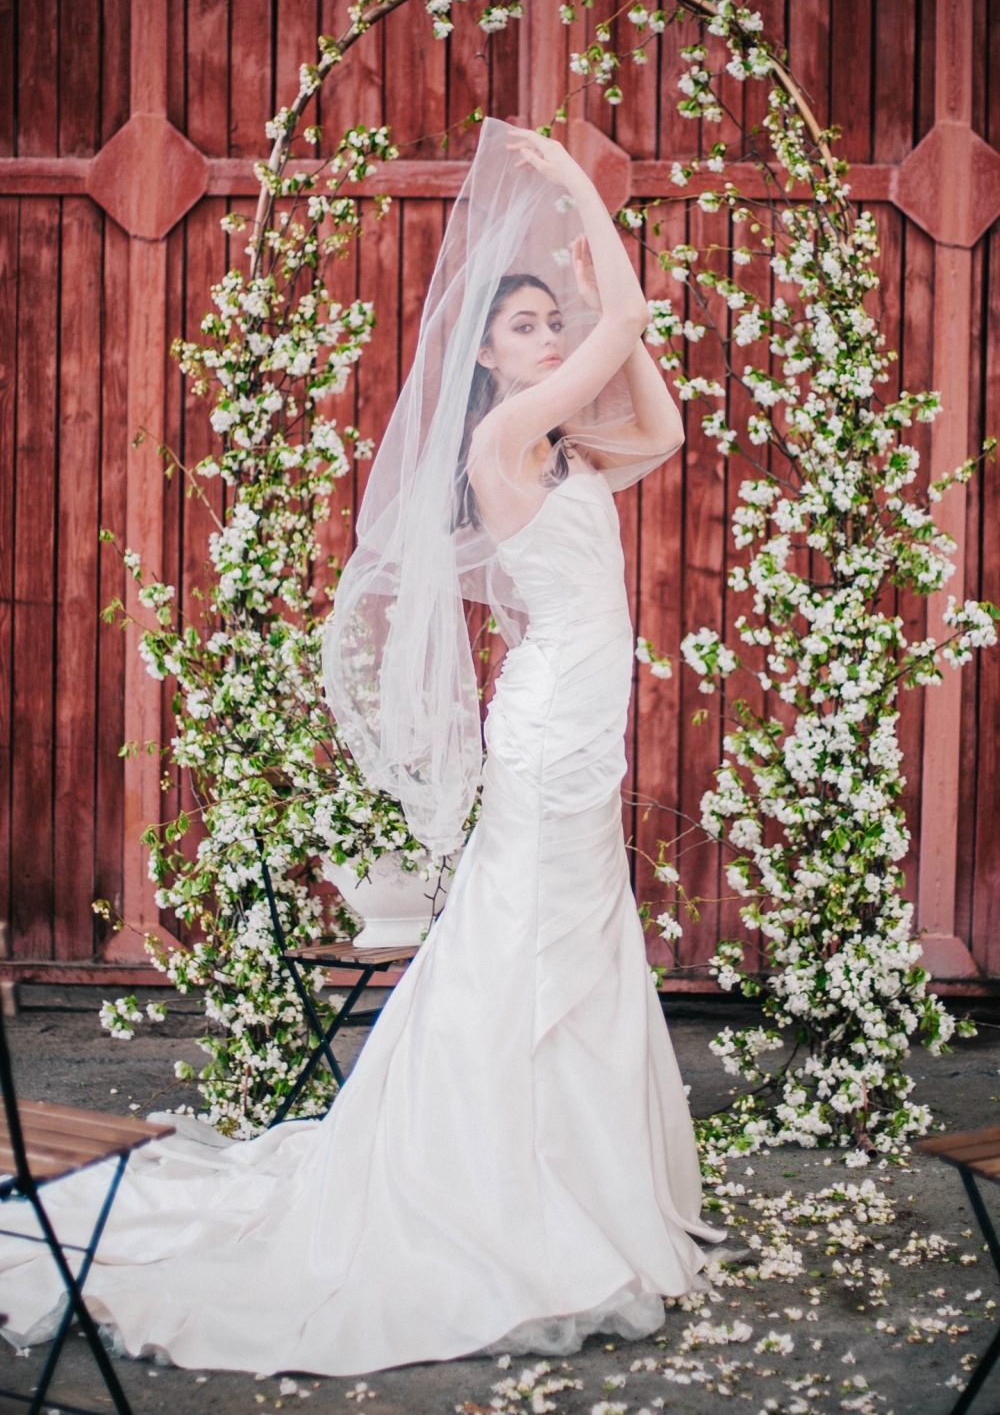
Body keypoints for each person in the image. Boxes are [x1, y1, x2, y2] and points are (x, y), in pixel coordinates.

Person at [0, 121, 723, 1376]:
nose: (547, 338)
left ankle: (565, 1174)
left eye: (549, 323)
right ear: (485, 357)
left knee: (571, 935)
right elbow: (623, 324)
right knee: (529, 935)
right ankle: (491, 1184)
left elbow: (657, 429)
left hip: (579, 732)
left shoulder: (568, 451)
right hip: (548, 732)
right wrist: (576, 193)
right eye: (524, 327)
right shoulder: (502, 445)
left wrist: (604, 307)